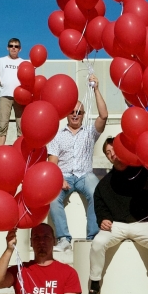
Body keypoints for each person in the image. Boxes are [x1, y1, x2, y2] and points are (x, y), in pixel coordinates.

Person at [86, 138, 148, 294]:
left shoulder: (144, 174)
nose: (112, 155)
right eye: (108, 153)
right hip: (116, 226)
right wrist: (103, 219)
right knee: (97, 243)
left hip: (142, 224)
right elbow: (99, 205)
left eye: (113, 150)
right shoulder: (105, 183)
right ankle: (94, 287)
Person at [47, 74, 108, 252]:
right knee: (52, 198)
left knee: (97, 193)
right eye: (72, 112)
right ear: (66, 114)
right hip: (64, 174)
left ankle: (93, 237)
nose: (75, 115)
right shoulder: (56, 135)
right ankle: (64, 238)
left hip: (84, 174)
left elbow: (103, 116)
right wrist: (58, 178)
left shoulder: (90, 132)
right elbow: (52, 162)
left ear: (83, 115)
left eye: (79, 112)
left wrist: (96, 89)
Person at [0, 38, 24, 145]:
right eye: (11, 46)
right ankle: (0, 150)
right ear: (7, 48)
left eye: (16, 46)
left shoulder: (24, 62)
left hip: (20, 97)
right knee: (2, 124)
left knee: (22, 126)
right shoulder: (0, 61)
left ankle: (21, 151)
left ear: (20, 49)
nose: (13, 48)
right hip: (5, 96)